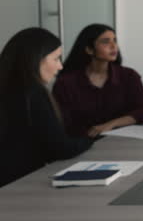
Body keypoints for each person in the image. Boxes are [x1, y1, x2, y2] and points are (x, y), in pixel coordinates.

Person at [0, 28, 92, 188]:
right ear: (35, 59)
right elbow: (60, 149)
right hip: (20, 185)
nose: (60, 66)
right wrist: (90, 140)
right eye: (56, 59)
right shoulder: (33, 92)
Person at [53, 24, 143, 138]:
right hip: (81, 143)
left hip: (122, 141)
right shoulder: (66, 82)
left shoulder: (129, 76)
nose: (113, 46)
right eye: (105, 41)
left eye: (115, 40)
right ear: (89, 49)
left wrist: (111, 124)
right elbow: (61, 123)